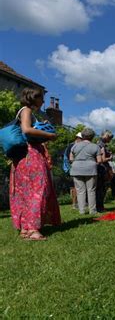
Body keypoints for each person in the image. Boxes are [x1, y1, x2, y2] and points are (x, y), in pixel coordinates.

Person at [9, 87, 60, 241]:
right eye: (41, 98)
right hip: (31, 155)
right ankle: (32, 229)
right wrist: (49, 135)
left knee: (26, 191)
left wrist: (40, 127)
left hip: (23, 157)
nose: (43, 101)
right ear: (33, 98)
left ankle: (26, 228)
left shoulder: (25, 112)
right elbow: (26, 130)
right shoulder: (26, 110)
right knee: (39, 189)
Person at [70, 128, 102, 215]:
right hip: (90, 169)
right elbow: (99, 160)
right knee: (91, 190)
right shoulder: (96, 146)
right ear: (92, 137)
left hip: (76, 169)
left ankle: (82, 211)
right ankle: (92, 210)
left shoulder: (75, 146)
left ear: (82, 136)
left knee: (80, 191)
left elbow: (71, 158)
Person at [96, 130, 113, 212]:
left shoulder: (98, 144)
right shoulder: (101, 145)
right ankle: (100, 207)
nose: (110, 139)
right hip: (102, 169)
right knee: (101, 188)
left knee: (100, 188)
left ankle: (100, 206)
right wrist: (110, 158)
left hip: (100, 169)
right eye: (109, 138)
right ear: (106, 136)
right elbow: (102, 159)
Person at [65, 132, 83, 209]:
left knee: (78, 186)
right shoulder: (72, 146)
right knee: (75, 187)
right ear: (78, 138)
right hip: (73, 168)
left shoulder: (77, 146)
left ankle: (79, 203)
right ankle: (74, 203)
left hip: (78, 168)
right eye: (82, 139)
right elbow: (70, 159)